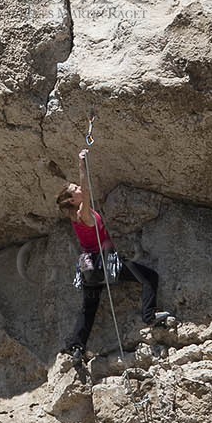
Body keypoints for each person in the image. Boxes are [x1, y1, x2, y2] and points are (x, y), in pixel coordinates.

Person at [57, 150, 167, 362]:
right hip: (104, 263)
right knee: (149, 277)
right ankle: (149, 316)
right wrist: (82, 164)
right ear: (72, 199)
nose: (79, 189)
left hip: (89, 268)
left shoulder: (75, 217)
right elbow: (87, 191)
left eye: (77, 186)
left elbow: (85, 193)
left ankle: (77, 347)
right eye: (75, 189)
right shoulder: (82, 213)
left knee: (88, 308)